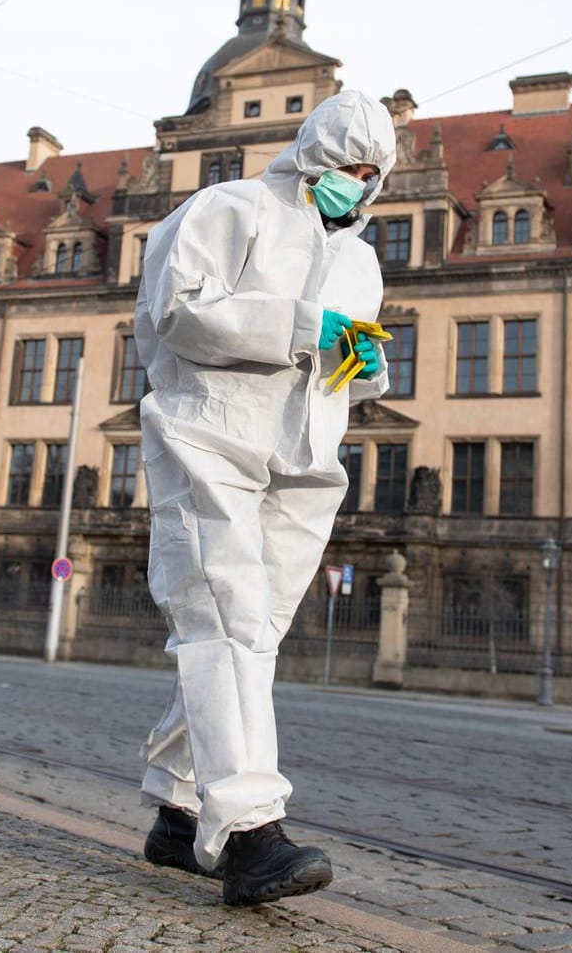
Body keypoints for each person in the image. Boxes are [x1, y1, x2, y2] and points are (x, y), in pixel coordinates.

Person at [132, 90, 394, 905]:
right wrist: (298, 324)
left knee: (255, 633)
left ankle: (177, 810)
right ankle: (250, 833)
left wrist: (362, 361)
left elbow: (341, 352)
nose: (360, 182)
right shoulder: (229, 207)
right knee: (224, 618)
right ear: (313, 151)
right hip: (209, 431)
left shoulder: (360, 259)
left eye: (373, 173)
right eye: (351, 165)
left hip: (306, 457)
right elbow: (176, 313)